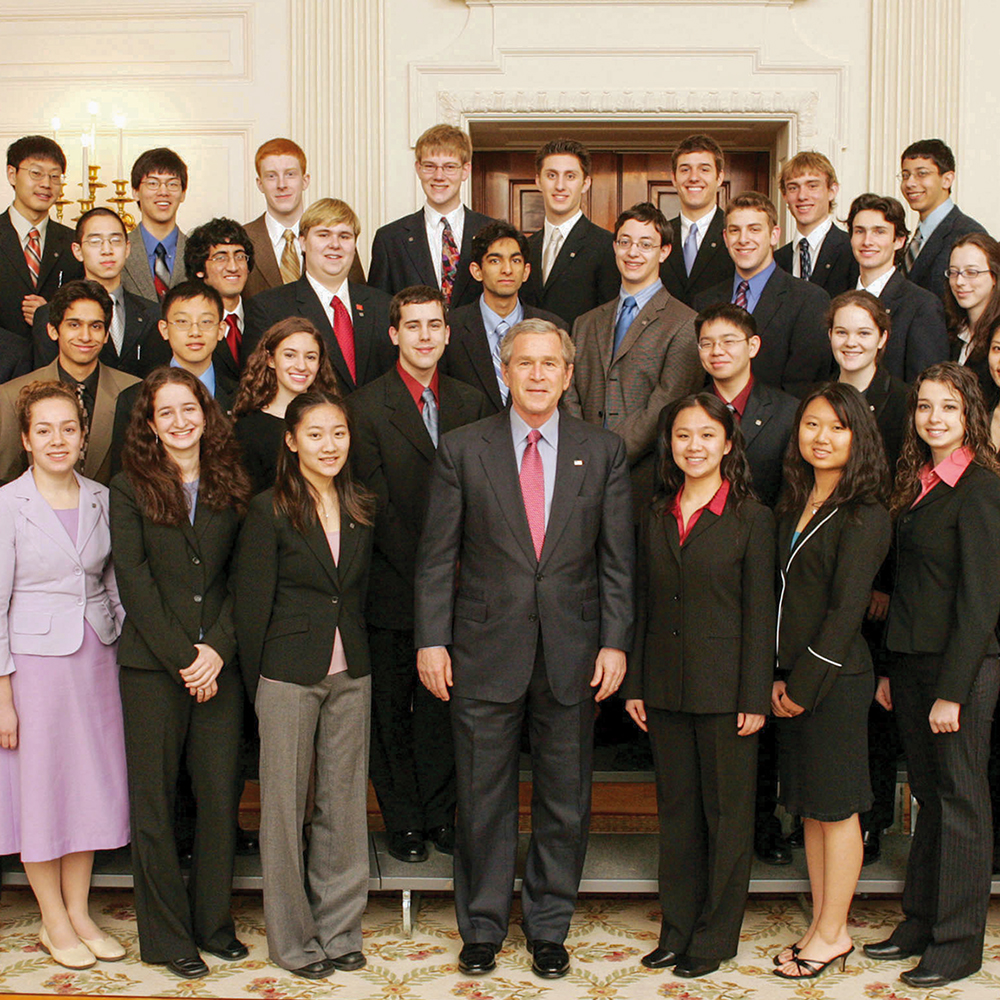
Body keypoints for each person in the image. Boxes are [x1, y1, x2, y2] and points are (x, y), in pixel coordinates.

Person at [414, 318, 634, 980]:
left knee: (565, 798)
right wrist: (431, 638)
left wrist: (616, 643)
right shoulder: (462, 448)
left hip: (573, 651)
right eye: (524, 363)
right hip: (481, 648)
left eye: (550, 364)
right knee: (482, 797)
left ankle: (547, 927)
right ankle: (480, 927)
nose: (537, 375)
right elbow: (436, 557)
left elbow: (617, 562)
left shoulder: (603, 451)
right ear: (505, 371)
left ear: (569, 375)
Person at [622, 393, 775, 979]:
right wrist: (635, 681)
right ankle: (676, 929)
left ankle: (714, 937)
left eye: (706, 436)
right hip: (663, 686)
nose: (694, 446)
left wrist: (754, 697)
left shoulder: (752, 518)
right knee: (678, 814)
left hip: (727, 692)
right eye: (683, 436)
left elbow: (761, 616)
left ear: (728, 443)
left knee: (728, 817)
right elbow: (641, 603)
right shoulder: (656, 512)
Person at [110, 367, 251, 979]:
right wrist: (186, 657)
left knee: (220, 796)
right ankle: (167, 938)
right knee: (156, 804)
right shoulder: (128, 487)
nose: (179, 421)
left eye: (187, 408)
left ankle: (213, 925)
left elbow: (247, 577)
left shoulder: (234, 482)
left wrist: (217, 648)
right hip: (152, 668)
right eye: (164, 412)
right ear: (149, 423)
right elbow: (133, 583)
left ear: (205, 411)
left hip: (221, 662)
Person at [866, 363, 1000, 988]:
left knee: (961, 803)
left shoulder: (981, 486)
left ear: (969, 412)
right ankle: (920, 920)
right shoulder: (917, 481)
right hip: (913, 665)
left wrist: (951, 690)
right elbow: (910, 590)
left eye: (948, 407)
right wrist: (894, 669)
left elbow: (980, 601)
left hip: (960, 673)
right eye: (924, 407)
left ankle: (957, 944)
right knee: (927, 799)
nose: (934, 418)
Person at [235, 390, 374, 980]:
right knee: (285, 810)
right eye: (315, 434)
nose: (329, 445)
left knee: (342, 807)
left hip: (351, 671)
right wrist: (259, 689)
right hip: (287, 673)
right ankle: (294, 941)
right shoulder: (268, 508)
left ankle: (340, 930)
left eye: (338, 433)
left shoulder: (362, 504)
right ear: (291, 442)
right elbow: (249, 606)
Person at [350, 286, 487, 865]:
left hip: (464, 588)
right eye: (413, 326)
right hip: (390, 583)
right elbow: (370, 503)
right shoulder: (364, 406)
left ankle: (440, 815)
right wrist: (427, 572)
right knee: (391, 711)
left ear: (448, 333)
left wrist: (456, 572)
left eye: (435, 325)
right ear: (394, 334)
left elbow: (487, 498)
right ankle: (402, 819)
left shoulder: (474, 402)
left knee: (445, 709)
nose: (425, 335)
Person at [0, 380, 128, 969]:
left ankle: (79, 911)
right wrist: (2, 696)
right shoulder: (7, 505)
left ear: (83, 437)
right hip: (33, 671)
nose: (57, 440)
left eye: (68, 429)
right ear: (25, 439)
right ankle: (53, 919)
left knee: (85, 789)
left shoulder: (104, 497)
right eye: (44, 430)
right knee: (43, 793)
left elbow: (112, 583)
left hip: (96, 661)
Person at [770, 382, 891, 980]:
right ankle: (821, 924)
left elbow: (846, 613)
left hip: (835, 681)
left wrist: (802, 686)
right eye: (812, 425)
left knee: (839, 809)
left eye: (836, 428)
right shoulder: (794, 503)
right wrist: (776, 677)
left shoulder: (865, 512)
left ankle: (835, 933)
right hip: (793, 676)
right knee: (814, 811)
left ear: (858, 437)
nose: (821, 437)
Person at [827, 290, 909, 864]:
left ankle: (873, 819)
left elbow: (903, 497)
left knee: (873, 703)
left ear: (882, 337)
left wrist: (883, 581)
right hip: (823, 570)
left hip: (879, 577)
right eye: (840, 332)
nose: (850, 342)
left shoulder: (903, 401)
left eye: (862, 332)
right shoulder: (821, 394)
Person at [563, 202, 702, 516]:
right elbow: (568, 391)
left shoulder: (685, 323)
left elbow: (665, 405)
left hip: (646, 481)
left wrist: (605, 458)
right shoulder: (586, 322)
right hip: (579, 477)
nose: (633, 252)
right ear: (614, 247)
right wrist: (583, 455)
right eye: (624, 242)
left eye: (645, 244)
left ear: (664, 251)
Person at [244, 198, 395, 393]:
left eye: (345, 236)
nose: (335, 244)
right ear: (303, 243)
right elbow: (258, 388)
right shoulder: (268, 308)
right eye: (323, 235)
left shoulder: (383, 305)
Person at [0, 280, 139, 484]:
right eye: (74, 325)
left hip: (113, 513)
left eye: (96, 326)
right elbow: (5, 479)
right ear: (53, 331)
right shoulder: (13, 395)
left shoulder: (135, 391)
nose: (85, 336)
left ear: (106, 334)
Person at [694, 192, 831, 397]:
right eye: (734, 230)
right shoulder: (703, 301)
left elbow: (804, 386)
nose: (743, 239)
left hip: (780, 424)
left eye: (754, 229)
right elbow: (697, 379)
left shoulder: (809, 300)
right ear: (725, 237)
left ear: (774, 235)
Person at [110, 281, 237, 476]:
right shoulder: (133, 399)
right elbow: (123, 476)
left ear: (221, 330)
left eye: (205, 322)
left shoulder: (241, 398)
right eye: (182, 322)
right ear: (164, 329)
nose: (195, 332)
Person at [442, 220, 563, 414]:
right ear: (476, 271)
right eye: (495, 261)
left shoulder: (554, 327)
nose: (507, 269)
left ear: (526, 271)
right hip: (470, 440)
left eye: (515, 261)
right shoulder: (451, 328)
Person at [369, 124, 493, 309]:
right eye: (430, 166)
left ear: (465, 170)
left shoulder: (492, 233)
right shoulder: (390, 239)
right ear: (418, 168)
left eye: (449, 167)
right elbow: (378, 313)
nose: (439, 176)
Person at [32, 208, 164, 377]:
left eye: (115, 241)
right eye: (95, 241)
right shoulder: (48, 315)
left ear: (127, 248)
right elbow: (46, 380)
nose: (107, 250)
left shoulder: (153, 314)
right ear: (77, 251)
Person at [243, 138, 367, 300]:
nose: (282, 184)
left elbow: (358, 297)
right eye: (271, 176)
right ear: (260, 184)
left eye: (290, 174)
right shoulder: (243, 239)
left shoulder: (337, 238)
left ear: (305, 180)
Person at [847, 193, 949, 382]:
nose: (867, 241)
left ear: (899, 241)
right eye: (860, 231)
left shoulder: (922, 306)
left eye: (879, 231)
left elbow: (925, 386)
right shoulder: (838, 300)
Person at [233, 317, 340, 493]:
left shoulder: (335, 419)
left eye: (310, 357)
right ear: (271, 360)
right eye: (290, 355)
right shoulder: (249, 430)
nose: (301, 366)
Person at [521, 138, 619, 328]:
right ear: (538, 181)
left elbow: (608, 321)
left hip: (580, 355)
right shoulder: (524, 248)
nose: (560, 186)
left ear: (585, 183)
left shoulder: (606, 246)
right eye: (551, 175)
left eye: (570, 176)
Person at [0, 136, 83, 340]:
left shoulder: (74, 243)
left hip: (57, 363)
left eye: (55, 176)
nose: (46, 184)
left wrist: (49, 314)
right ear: (12, 174)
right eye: (36, 173)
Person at [899, 139, 987, 299]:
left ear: (947, 180)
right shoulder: (913, 238)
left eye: (922, 174)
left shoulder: (968, 234)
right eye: (905, 175)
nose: (910, 183)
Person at [659, 134, 733, 307]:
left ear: (719, 178)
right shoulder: (659, 235)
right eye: (685, 169)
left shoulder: (735, 233)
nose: (694, 177)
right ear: (674, 178)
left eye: (704, 169)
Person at [774, 152, 856, 297]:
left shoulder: (852, 251)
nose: (802, 196)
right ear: (784, 195)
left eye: (812, 186)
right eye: (793, 188)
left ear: (832, 191)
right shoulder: (777, 260)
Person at [184, 217, 255, 378]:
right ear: (199, 269)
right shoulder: (187, 326)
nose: (233, 267)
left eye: (240, 256)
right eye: (220, 258)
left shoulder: (264, 316)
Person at [122, 148, 189, 301]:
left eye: (172, 184)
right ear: (135, 192)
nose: (163, 192)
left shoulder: (198, 252)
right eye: (153, 183)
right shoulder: (118, 251)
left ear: (183, 193)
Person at [942, 231, 1000, 400]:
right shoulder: (950, 329)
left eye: (971, 272)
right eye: (953, 272)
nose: (959, 282)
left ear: (994, 276)